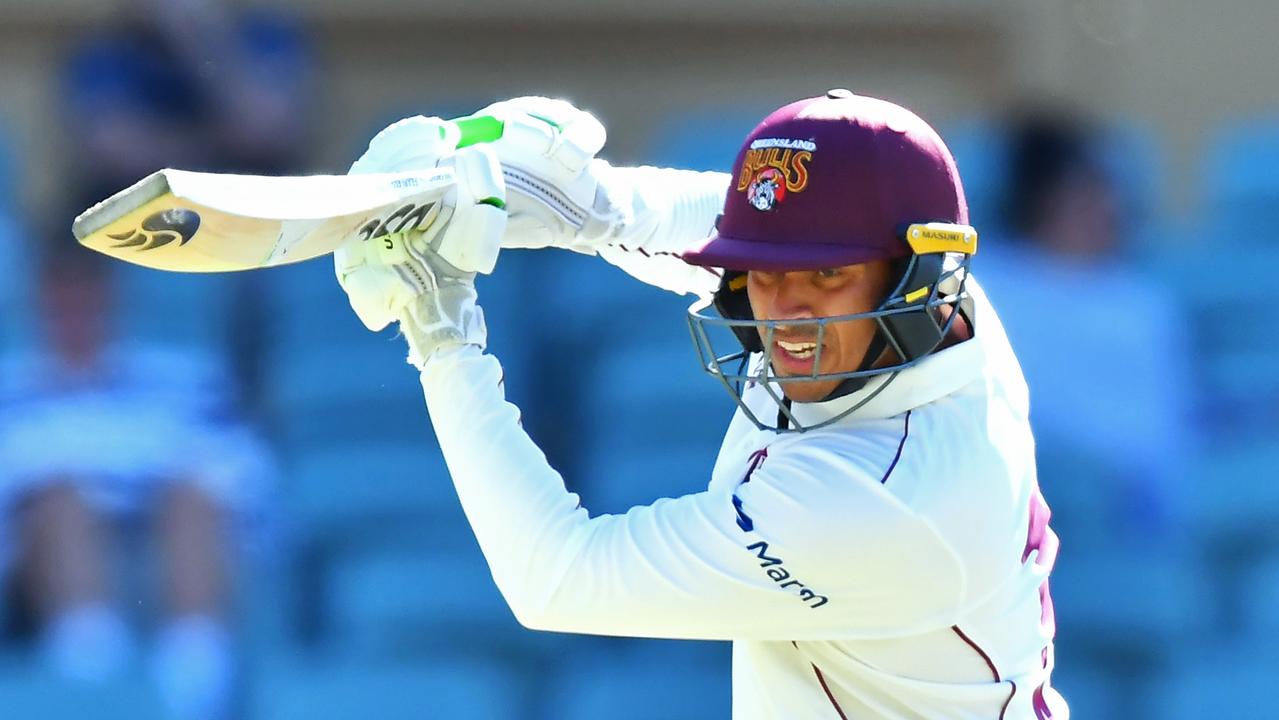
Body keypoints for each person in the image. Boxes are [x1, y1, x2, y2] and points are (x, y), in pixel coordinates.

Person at [331, 92, 1067, 718]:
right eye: (765, 274)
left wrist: (440, 332)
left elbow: (555, 579)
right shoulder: (938, 308)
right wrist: (581, 202)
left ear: (916, 274)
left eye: (828, 274)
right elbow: (728, 225)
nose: (785, 315)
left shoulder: (883, 500)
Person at [0, 247, 272, 720]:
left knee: (191, 504)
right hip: (43, 555)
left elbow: (243, 474)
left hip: (167, 539)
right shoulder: (9, 391)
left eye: (86, 300)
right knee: (63, 506)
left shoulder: (185, 379)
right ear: (39, 306)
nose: (75, 317)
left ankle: (194, 692)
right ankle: (94, 684)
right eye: (61, 303)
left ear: (112, 302)